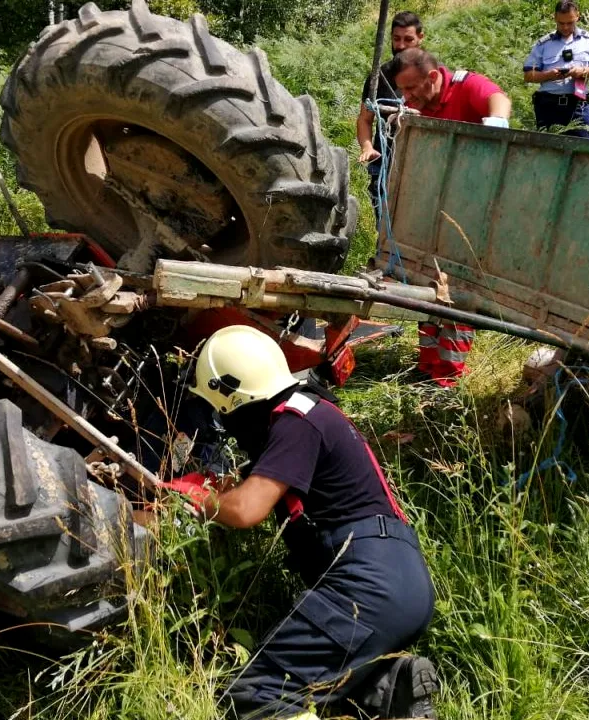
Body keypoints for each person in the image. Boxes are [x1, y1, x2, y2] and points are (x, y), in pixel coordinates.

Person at [161, 325, 440, 720]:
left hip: (366, 587)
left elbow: (245, 510)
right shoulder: (312, 411)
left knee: (258, 697)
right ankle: (387, 684)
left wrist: (192, 494)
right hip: (401, 581)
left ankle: (378, 683)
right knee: (323, 681)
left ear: (233, 399)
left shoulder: (295, 421)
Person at [389, 47, 512, 387]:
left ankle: (449, 376)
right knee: (426, 282)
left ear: (432, 77)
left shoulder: (466, 86)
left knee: (459, 289)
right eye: (403, 90)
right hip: (433, 208)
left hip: (471, 213)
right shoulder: (419, 102)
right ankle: (427, 364)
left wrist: (495, 126)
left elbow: (499, 99)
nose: (407, 96)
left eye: (411, 88)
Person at [356, 11, 426, 222]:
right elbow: (364, 119)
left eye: (408, 39)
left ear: (420, 38)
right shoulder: (379, 77)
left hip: (420, 166)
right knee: (384, 227)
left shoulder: (432, 75)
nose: (402, 46)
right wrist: (368, 147)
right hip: (384, 163)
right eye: (397, 39)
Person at [522, 0, 589, 138]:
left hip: (578, 107)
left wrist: (583, 71)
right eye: (561, 23)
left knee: (586, 150)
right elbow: (528, 75)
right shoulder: (544, 44)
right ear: (555, 17)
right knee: (548, 152)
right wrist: (548, 75)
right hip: (548, 107)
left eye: (570, 22)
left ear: (577, 16)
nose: (566, 27)